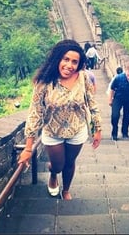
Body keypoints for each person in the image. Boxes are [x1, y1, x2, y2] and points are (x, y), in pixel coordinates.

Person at [18, 39, 102, 200]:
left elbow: (92, 103)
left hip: (77, 130)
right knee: (57, 165)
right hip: (53, 131)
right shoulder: (44, 82)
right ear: (57, 59)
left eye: (74, 62)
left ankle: (66, 190)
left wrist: (97, 129)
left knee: (69, 163)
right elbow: (35, 112)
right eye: (66, 59)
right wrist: (28, 148)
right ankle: (53, 174)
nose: (69, 65)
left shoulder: (83, 78)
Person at [108, 62, 129, 140]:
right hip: (118, 99)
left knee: (127, 117)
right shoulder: (119, 78)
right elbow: (112, 89)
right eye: (127, 75)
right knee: (115, 116)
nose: (128, 77)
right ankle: (114, 133)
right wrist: (110, 100)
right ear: (126, 71)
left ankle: (125, 132)